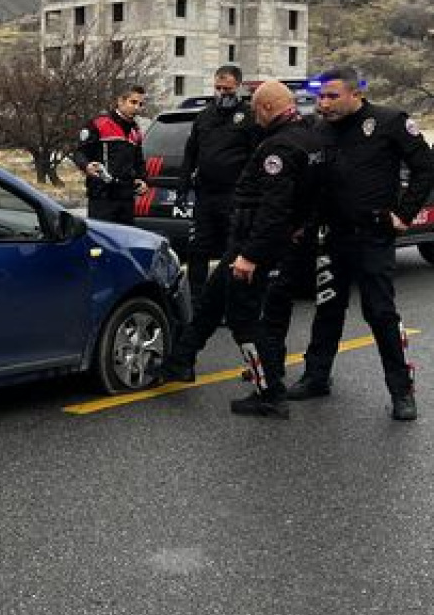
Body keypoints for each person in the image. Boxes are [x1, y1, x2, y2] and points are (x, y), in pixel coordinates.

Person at [159, 80, 323, 418]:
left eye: (255, 110)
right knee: (211, 302)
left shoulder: (278, 147)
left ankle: (270, 391)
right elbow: (311, 196)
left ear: (265, 108)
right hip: (253, 242)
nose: (252, 117)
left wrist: (250, 255)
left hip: (255, 246)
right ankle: (180, 363)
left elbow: (273, 208)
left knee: (243, 318)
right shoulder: (309, 137)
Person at [284, 66, 434, 420]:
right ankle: (316, 376)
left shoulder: (389, 121)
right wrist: (300, 222)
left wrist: (404, 214)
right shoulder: (320, 131)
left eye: (332, 96)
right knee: (328, 309)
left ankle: (401, 391)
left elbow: (426, 167)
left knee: (381, 313)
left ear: (356, 94)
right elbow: (312, 182)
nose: (324, 103)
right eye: (321, 97)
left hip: (373, 235)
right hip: (332, 235)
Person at [179, 65, 260, 304]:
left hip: (234, 196)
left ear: (238, 87)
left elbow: (256, 155)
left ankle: (227, 299)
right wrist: (183, 185)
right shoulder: (205, 115)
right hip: (206, 194)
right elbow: (191, 152)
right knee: (198, 248)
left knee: (231, 249)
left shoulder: (248, 116)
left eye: (228, 89)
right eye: (218, 88)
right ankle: (197, 298)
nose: (222, 93)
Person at [73, 84, 149, 225]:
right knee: (101, 243)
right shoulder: (99, 123)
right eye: (133, 102)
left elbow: (139, 162)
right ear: (120, 101)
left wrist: (142, 180)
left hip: (126, 198)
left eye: (141, 104)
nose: (137, 107)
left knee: (124, 242)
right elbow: (79, 152)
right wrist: (87, 166)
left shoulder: (135, 131)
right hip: (102, 196)